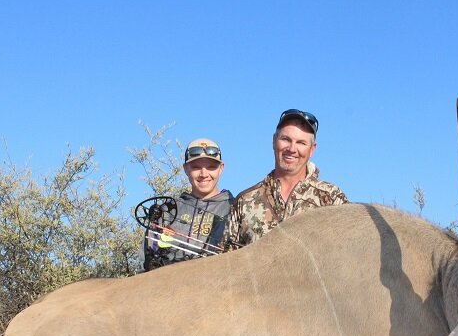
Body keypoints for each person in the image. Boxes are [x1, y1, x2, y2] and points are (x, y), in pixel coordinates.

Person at [223, 109, 347, 250]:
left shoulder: (332, 198)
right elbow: (226, 260)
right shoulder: (244, 201)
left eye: (301, 143)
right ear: (274, 141)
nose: (292, 149)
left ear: (312, 150)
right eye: (286, 139)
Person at [142, 138, 234, 270]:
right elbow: (145, 261)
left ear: (221, 168)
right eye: (196, 167)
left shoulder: (236, 208)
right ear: (185, 169)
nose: (204, 174)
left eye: (211, 167)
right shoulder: (167, 211)